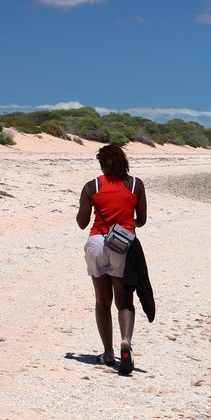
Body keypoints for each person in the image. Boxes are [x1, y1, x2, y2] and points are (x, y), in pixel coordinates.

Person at [76, 144, 147, 375]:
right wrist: (127, 225)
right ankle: (125, 343)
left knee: (102, 301)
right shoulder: (136, 184)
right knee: (124, 301)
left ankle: (107, 353)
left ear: (102, 164)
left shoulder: (91, 186)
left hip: (97, 242)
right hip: (122, 245)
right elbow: (142, 220)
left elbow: (82, 223)